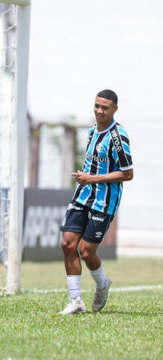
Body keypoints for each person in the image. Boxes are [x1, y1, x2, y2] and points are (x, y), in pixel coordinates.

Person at [59, 89, 133, 315]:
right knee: (67, 244)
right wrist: (86, 177)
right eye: (97, 106)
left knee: (86, 251)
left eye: (105, 108)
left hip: (104, 201)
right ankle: (76, 301)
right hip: (82, 195)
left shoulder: (118, 137)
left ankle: (102, 284)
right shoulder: (92, 131)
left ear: (114, 110)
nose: (99, 111)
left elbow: (127, 173)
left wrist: (92, 178)